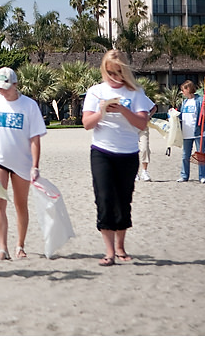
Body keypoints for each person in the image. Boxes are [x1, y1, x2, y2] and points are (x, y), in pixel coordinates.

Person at [81, 50, 154, 267]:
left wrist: (122, 108)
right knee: (104, 199)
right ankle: (109, 251)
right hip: (102, 151)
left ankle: (121, 246)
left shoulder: (135, 92)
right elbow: (87, 123)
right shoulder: (95, 91)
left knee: (123, 201)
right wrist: (102, 111)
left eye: (119, 72)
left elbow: (142, 123)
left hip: (128, 152)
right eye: (110, 72)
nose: (114, 77)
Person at [0, 67, 47, 260]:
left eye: (6, 87)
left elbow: (35, 138)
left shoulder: (29, 106)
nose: (2, 91)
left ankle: (20, 245)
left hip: (22, 162)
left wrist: (35, 165)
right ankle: (3, 248)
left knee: (20, 204)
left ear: (15, 84)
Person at [179, 80, 205, 183]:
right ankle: (184, 175)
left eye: (183, 90)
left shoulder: (200, 100)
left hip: (198, 132)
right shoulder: (184, 102)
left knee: (200, 154)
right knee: (185, 155)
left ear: (188, 89)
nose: (182, 92)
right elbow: (181, 115)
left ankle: (202, 176)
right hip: (186, 132)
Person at [136, 104, 158, 182]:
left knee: (145, 148)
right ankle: (135, 172)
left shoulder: (142, 96)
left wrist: (149, 115)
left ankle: (144, 171)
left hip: (143, 126)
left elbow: (154, 107)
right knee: (132, 150)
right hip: (130, 127)